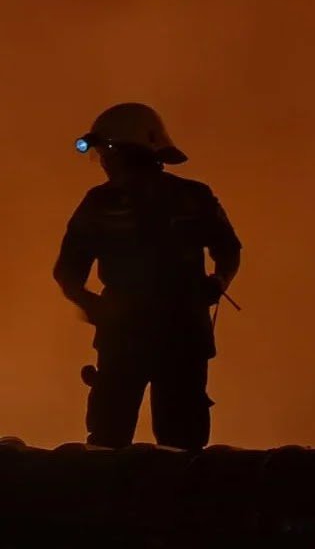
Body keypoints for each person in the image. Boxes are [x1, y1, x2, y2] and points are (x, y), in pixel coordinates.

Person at [53, 103, 241, 451]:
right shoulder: (187, 197)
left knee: (140, 443)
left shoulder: (110, 203)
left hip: (153, 334)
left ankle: (127, 502)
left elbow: (229, 250)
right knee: (154, 443)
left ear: (128, 152)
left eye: (107, 152)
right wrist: (93, 306)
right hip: (159, 333)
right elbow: (67, 273)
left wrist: (218, 282)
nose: (104, 162)